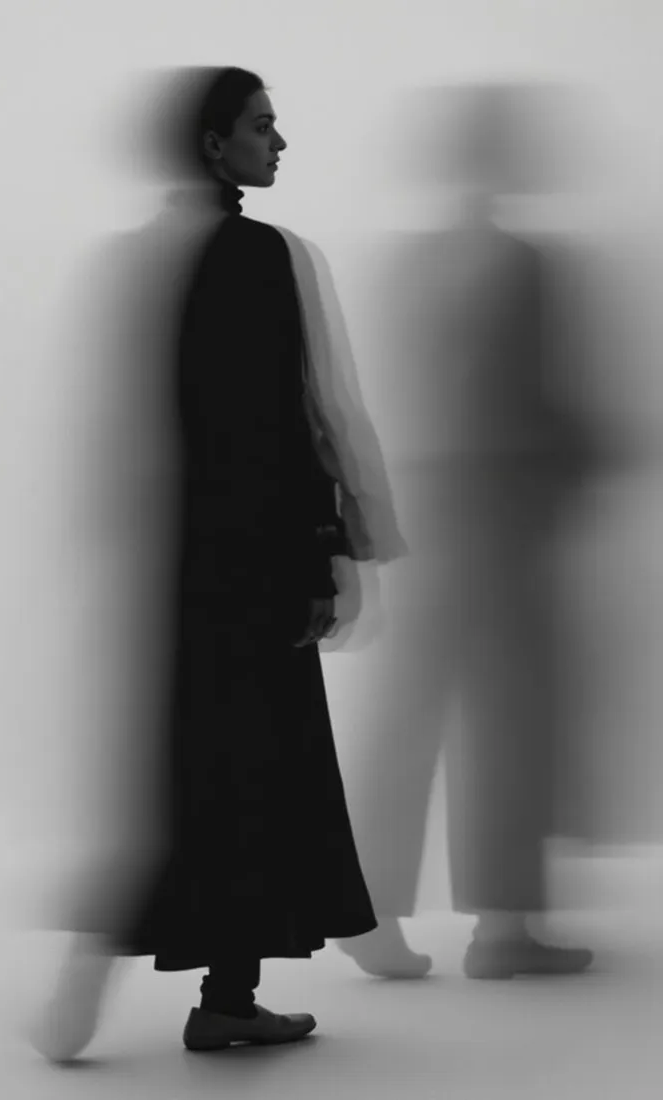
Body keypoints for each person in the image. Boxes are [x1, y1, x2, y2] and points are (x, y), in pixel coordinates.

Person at [30, 65, 405, 1060]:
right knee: (252, 773)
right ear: (213, 142)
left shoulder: (138, 257)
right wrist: (341, 545)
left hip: (171, 565)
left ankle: (192, 992)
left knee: (181, 772)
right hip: (252, 561)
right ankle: (215, 995)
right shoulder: (269, 254)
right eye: (261, 125)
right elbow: (306, 413)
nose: (278, 142)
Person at [336, 82, 602, 981]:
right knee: (508, 717)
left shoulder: (406, 264)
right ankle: (503, 929)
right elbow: (539, 396)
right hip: (500, 506)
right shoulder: (522, 263)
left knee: (407, 710)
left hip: (418, 503)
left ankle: (368, 910)